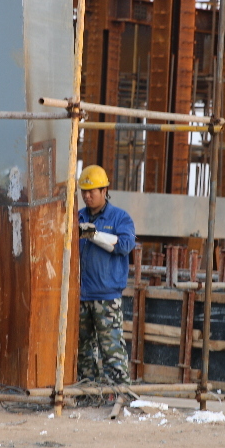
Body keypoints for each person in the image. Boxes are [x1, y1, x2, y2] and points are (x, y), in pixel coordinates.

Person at [76, 164, 136, 385]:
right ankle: (88, 391)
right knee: (83, 352)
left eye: (92, 191)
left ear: (104, 191)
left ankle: (119, 391)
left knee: (112, 349)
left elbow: (125, 245)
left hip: (106, 298)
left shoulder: (120, 218)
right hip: (81, 296)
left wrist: (94, 234)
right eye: (84, 191)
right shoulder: (77, 216)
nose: (87, 195)